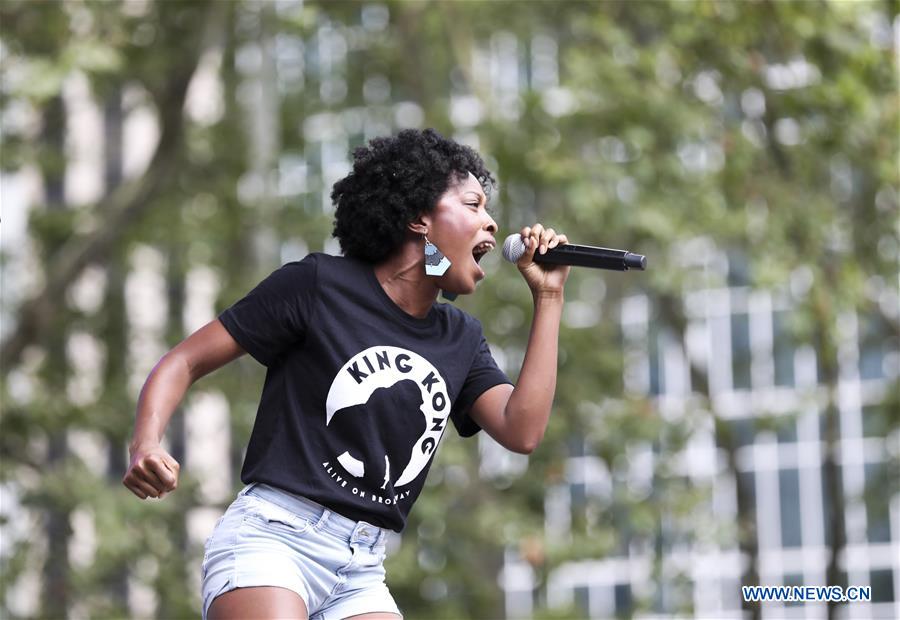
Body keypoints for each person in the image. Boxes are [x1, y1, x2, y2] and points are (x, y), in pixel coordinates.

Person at [123, 128, 570, 620]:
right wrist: (146, 444)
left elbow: (522, 431)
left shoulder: (459, 337)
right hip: (274, 539)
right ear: (419, 217)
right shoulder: (318, 285)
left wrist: (549, 296)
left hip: (362, 567)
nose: (491, 222)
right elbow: (184, 361)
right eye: (472, 205)